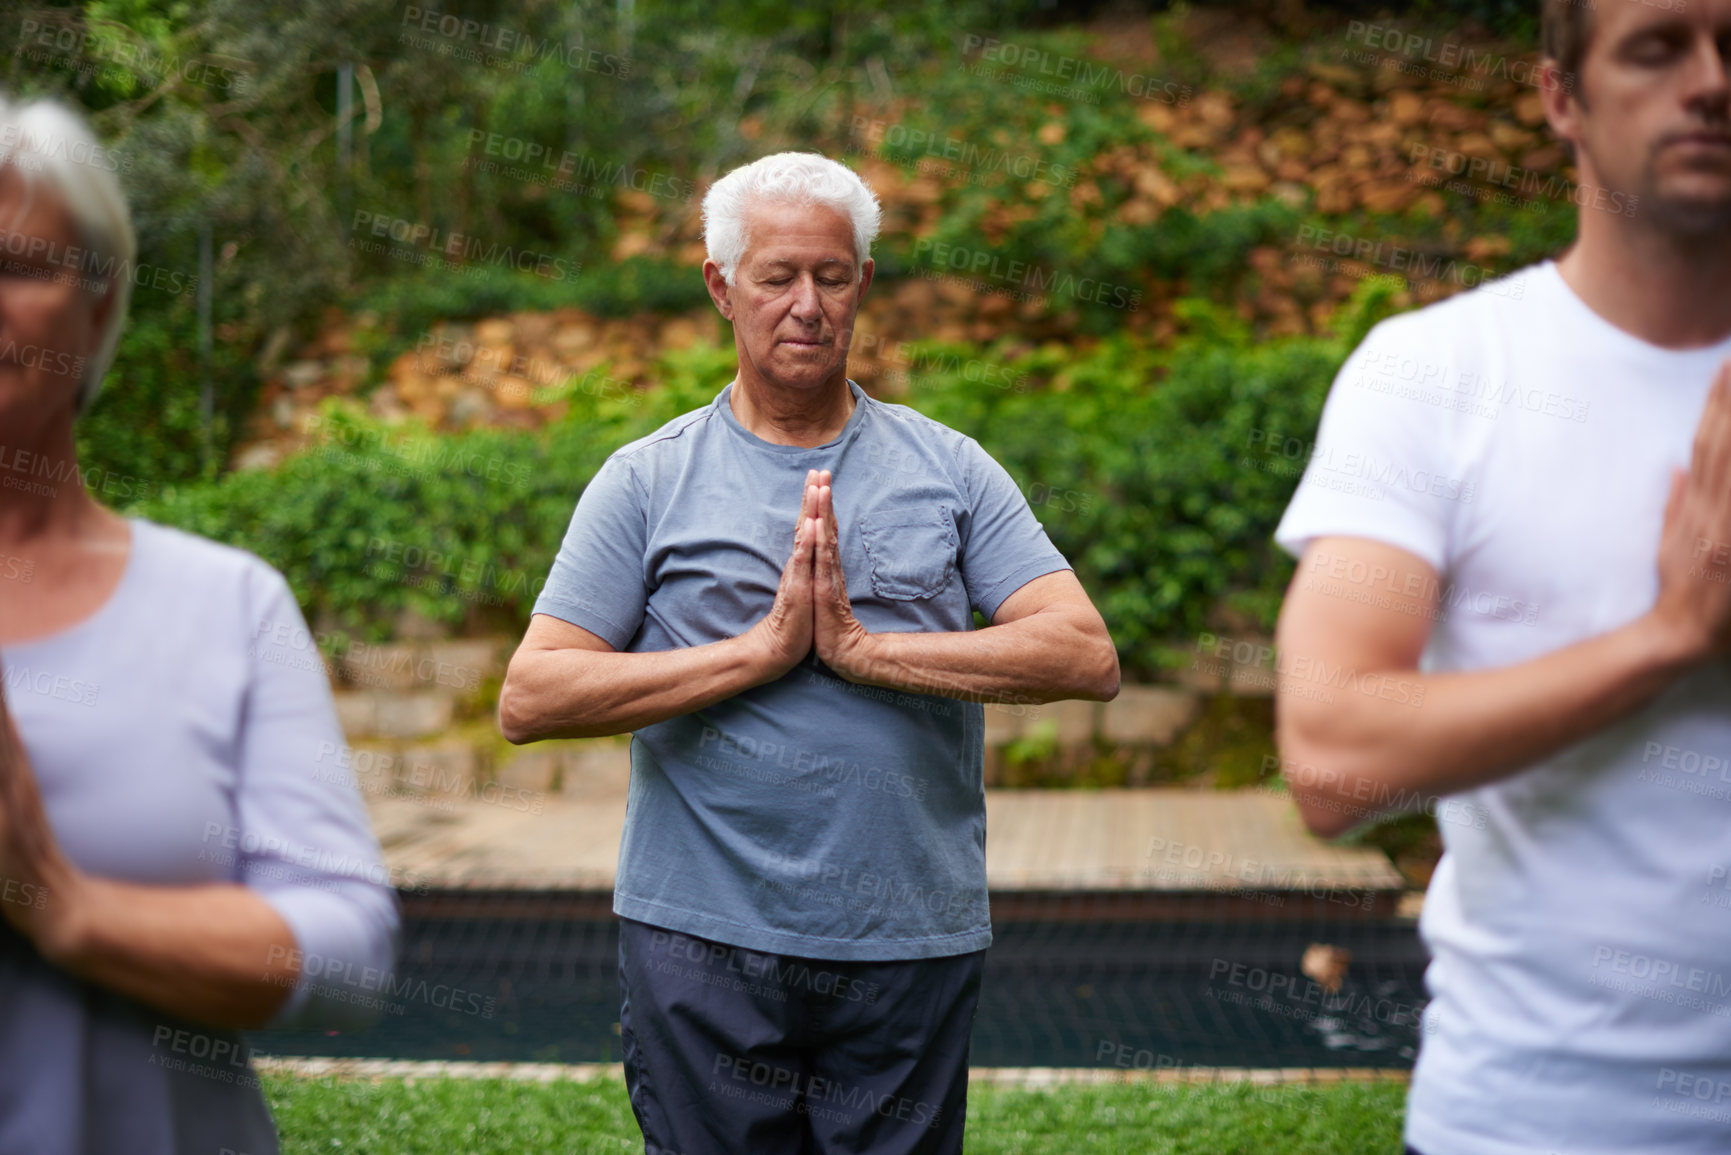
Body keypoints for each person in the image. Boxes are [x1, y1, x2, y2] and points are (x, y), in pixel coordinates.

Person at [499, 151, 1119, 1154]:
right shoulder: (647, 480)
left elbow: (1084, 654)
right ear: (720, 287)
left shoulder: (950, 469)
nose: (807, 305)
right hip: (702, 941)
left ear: (863, 284)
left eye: (832, 277)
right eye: (776, 276)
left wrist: (868, 652)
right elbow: (533, 694)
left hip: (907, 939)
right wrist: (761, 651)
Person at [1270, 1, 1731, 1152]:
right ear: (1561, 96)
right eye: (1658, 46)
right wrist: (1669, 636)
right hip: (1540, 1118)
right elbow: (1333, 756)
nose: (1712, 82)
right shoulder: (1436, 375)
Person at [0, 96, 400, 1155]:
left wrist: (63, 905)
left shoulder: (222, 606)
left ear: (99, 306)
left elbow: (348, 954)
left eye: (19, 266)